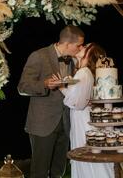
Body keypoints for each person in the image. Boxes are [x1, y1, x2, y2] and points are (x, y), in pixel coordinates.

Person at [17, 25, 85, 178]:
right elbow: (22, 87)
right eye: (78, 45)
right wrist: (45, 84)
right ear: (67, 44)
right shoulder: (39, 56)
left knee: (59, 171)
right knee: (39, 172)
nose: (81, 48)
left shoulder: (74, 61)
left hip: (66, 123)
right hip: (43, 124)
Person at [52, 43, 114, 178]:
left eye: (85, 47)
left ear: (89, 55)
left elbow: (76, 103)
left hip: (83, 120)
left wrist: (61, 87)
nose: (80, 47)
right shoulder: (85, 72)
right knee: (89, 158)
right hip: (84, 118)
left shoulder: (83, 72)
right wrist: (63, 85)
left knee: (86, 157)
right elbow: (77, 93)